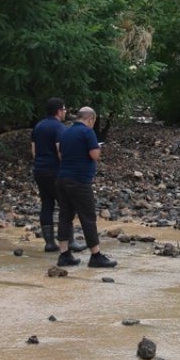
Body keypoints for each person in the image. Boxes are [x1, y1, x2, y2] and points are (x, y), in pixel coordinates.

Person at [55, 106, 116, 268]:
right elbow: (94, 155)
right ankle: (95, 255)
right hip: (80, 180)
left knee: (65, 215)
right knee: (88, 217)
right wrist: (98, 147)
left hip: (62, 178)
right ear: (91, 119)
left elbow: (60, 154)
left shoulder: (65, 132)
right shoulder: (87, 132)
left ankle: (64, 254)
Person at [29, 98, 66, 253]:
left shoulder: (38, 126)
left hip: (39, 170)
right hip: (55, 171)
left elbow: (33, 151)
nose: (65, 112)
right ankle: (67, 242)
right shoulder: (59, 127)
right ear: (58, 111)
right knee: (65, 206)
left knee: (47, 205)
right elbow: (60, 150)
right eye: (64, 109)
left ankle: (49, 243)